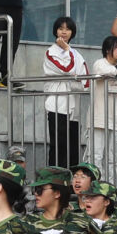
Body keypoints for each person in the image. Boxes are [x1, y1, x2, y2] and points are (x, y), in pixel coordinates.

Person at [41, 15, 87, 171]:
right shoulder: (50, 52)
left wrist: (73, 77)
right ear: (55, 31)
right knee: (58, 147)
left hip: (73, 108)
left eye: (68, 29)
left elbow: (85, 80)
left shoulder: (77, 54)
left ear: (72, 32)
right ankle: (54, 180)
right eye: (61, 28)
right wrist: (67, 51)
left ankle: (72, 182)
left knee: (73, 149)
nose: (64, 32)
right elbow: (67, 69)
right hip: (57, 105)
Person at [88, 35, 117, 182]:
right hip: (99, 118)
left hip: (115, 119)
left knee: (113, 158)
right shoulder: (100, 63)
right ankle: (96, 186)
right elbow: (104, 72)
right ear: (107, 50)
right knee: (96, 155)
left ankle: (111, 187)